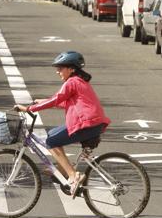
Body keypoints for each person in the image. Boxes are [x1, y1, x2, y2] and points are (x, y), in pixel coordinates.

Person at [14, 51, 111, 197]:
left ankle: (73, 176)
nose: (57, 71)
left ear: (71, 69)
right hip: (92, 123)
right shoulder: (79, 81)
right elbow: (65, 102)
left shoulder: (72, 82)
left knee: (51, 141)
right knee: (52, 134)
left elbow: (56, 99)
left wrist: (29, 109)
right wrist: (43, 101)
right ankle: (62, 170)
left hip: (86, 124)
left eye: (60, 68)